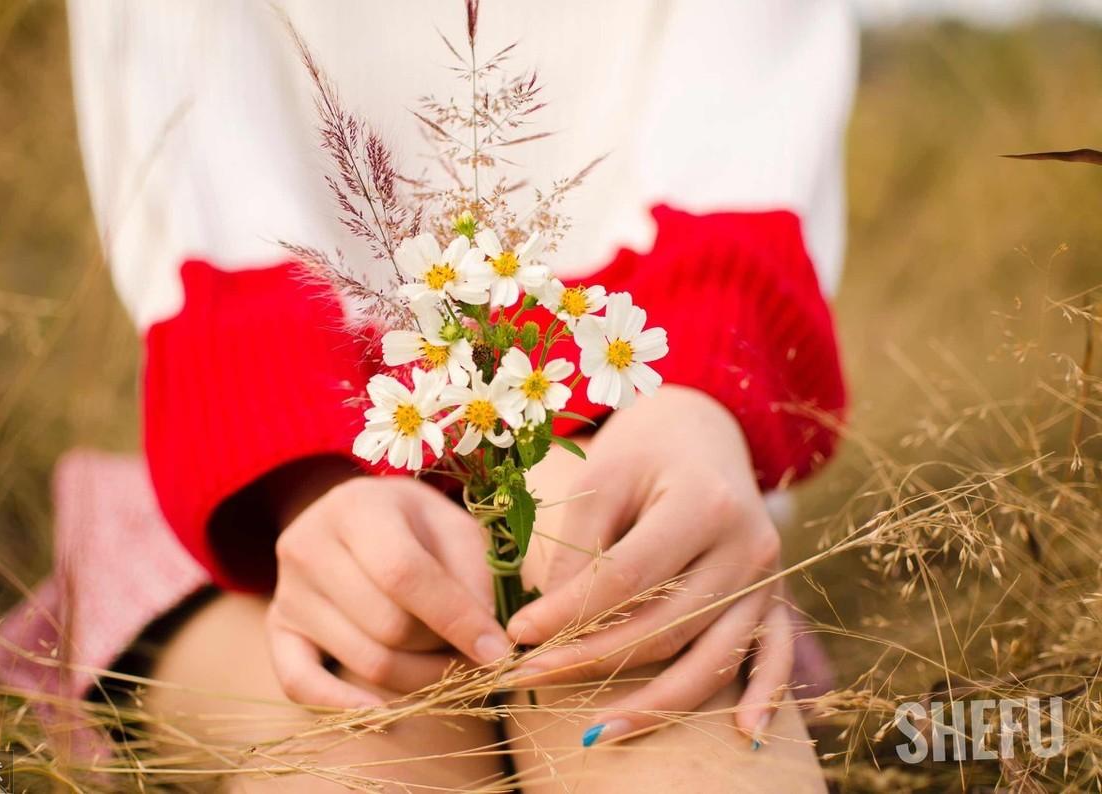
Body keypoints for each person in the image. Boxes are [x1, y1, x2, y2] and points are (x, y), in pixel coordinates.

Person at [57, 1, 855, 790]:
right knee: (364, 744)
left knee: (637, 679)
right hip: (270, 488)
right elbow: (195, 126)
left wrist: (694, 401)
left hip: (645, 450)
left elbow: (752, 114)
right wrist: (305, 484)